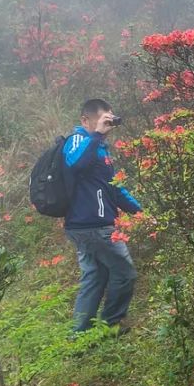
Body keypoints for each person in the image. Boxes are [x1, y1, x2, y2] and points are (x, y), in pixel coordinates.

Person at [63, 98, 142, 333]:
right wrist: (96, 135)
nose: (107, 125)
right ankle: (110, 326)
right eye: (101, 120)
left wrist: (139, 212)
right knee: (125, 273)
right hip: (92, 225)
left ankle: (79, 333)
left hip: (89, 225)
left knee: (95, 276)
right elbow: (74, 164)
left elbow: (114, 188)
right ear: (85, 120)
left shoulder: (99, 148)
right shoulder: (78, 139)